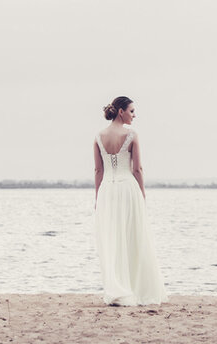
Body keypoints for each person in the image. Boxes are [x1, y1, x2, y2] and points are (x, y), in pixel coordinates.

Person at [93, 96, 168, 306]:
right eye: (132, 111)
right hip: (128, 188)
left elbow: (98, 170)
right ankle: (136, 289)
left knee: (113, 238)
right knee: (133, 237)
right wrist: (142, 194)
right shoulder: (132, 135)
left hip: (107, 190)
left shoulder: (99, 136)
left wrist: (97, 198)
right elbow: (137, 169)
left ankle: (117, 287)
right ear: (121, 112)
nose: (134, 115)